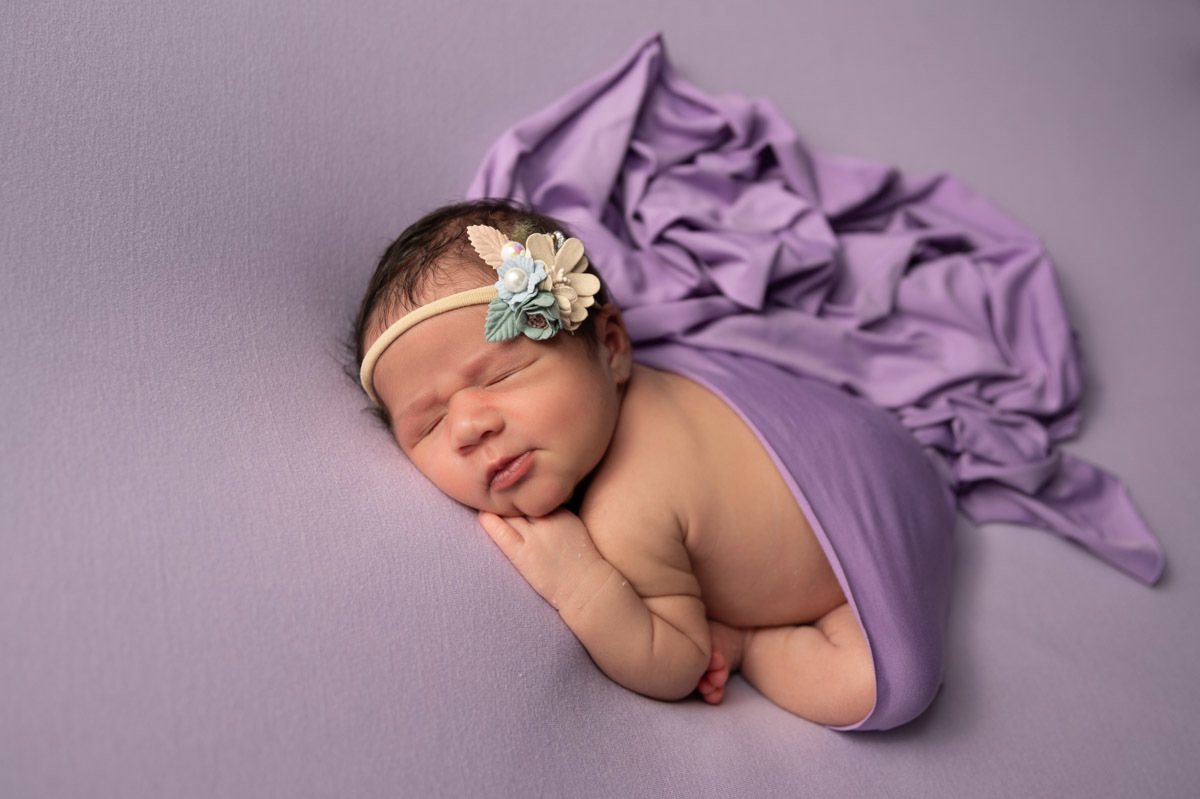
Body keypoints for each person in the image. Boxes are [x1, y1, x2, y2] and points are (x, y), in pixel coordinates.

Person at [352, 197, 951, 730]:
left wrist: (582, 584)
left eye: (503, 374)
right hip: (888, 453)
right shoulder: (640, 389)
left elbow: (678, 663)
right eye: (428, 425)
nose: (467, 426)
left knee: (875, 690)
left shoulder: (624, 517)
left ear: (612, 347)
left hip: (846, 566)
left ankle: (750, 644)